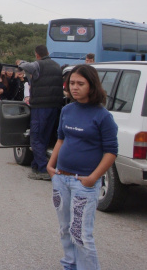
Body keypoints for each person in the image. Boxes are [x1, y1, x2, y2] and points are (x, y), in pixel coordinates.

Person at [46, 64, 118, 270]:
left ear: (92, 85)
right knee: (65, 229)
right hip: (61, 178)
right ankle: (70, 264)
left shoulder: (103, 117)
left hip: (83, 183)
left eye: (80, 83)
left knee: (81, 233)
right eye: (71, 83)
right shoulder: (67, 110)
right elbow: (60, 139)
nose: (75, 87)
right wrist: (51, 166)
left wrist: (93, 178)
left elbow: (111, 152)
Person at [18, 45, 64, 180]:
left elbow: (26, 67)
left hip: (41, 107)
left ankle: (44, 169)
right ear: (48, 53)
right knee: (45, 137)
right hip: (55, 107)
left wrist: (20, 63)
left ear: (37, 55)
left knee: (36, 138)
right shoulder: (57, 65)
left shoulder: (38, 64)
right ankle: (36, 167)